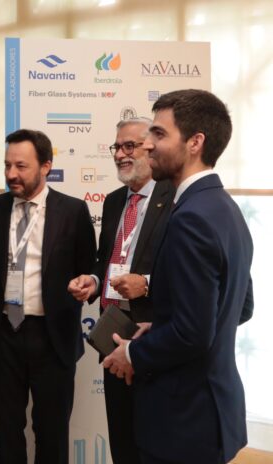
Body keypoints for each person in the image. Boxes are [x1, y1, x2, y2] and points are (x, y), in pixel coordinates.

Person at [103, 89, 254, 464]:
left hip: (183, 418)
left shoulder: (191, 218)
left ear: (195, 143)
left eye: (159, 134)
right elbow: (239, 306)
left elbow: (193, 333)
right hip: (207, 412)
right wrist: (162, 324)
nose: (148, 145)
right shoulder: (223, 208)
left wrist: (132, 352)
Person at [0, 128, 96, 463]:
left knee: (52, 432)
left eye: (21, 166)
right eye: (7, 165)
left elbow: (87, 267)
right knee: (6, 431)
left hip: (52, 337)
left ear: (45, 167)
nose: (11, 174)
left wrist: (83, 284)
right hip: (2, 336)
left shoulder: (73, 212)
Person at [67, 117, 174, 464]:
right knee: (122, 437)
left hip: (152, 337)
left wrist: (147, 283)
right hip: (112, 335)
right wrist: (94, 281)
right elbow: (105, 259)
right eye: (117, 147)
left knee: (154, 443)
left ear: (150, 148)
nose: (120, 154)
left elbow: (183, 271)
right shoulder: (114, 201)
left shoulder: (175, 197)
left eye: (130, 146)